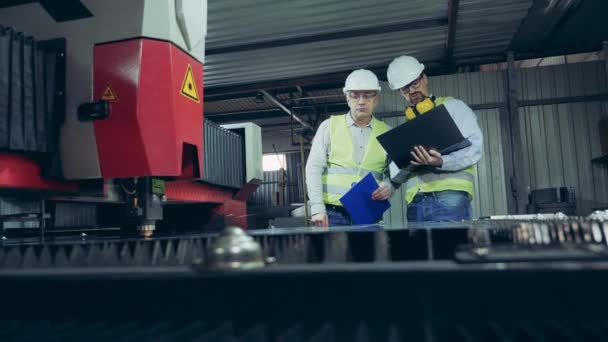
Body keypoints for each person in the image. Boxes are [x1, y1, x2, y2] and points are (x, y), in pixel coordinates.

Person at [386, 55, 483, 222]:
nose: (412, 91)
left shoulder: (453, 107)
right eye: (404, 88)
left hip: (450, 198)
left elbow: (475, 148)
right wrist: (409, 164)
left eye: (415, 83)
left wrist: (441, 161)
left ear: (425, 78)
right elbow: (396, 172)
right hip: (415, 203)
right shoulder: (406, 128)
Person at [305, 69, 394, 227]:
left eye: (367, 95)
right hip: (332, 213)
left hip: (369, 211)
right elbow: (313, 168)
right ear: (347, 98)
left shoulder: (387, 132)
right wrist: (317, 208)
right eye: (355, 95)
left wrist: (389, 186)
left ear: (376, 99)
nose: (361, 101)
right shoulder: (329, 127)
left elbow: (395, 173)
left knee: (369, 253)